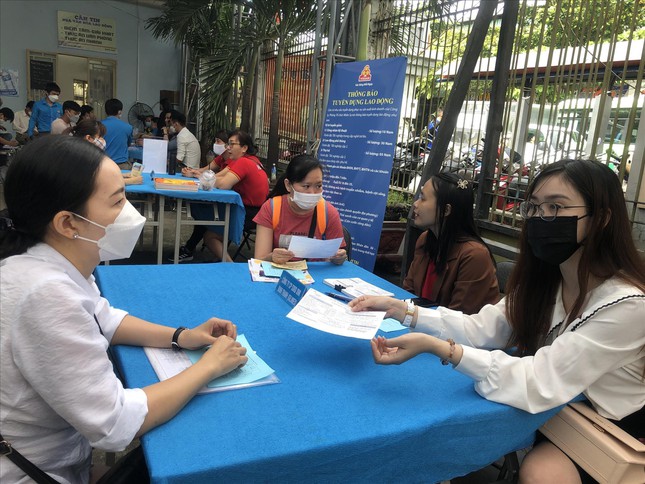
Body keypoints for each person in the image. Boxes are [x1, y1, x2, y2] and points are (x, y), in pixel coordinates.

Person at [350, 159, 645, 483]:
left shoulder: (627, 306)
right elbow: (481, 329)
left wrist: (440, 349)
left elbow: (540, 379)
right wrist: (400, 310)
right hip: (550, 414)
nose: (540, 219)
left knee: (541, 475)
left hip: (604, 431)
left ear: (601, 219)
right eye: (533, 208)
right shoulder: (546, 282)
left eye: (555, 207)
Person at [0, 136, 248, 483]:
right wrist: (208, 367)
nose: (130, 213)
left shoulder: (53, 263)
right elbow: (115, 423)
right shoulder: (45, 295)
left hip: (59, 458)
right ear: (68, 223)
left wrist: (182, 336)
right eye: (117, 201)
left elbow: (105, 318)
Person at [403, 173, 499, 313]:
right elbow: (409, 292)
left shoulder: (475, 256)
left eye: (423, 198)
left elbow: (457, 319)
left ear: (446, 210)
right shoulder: (425, 240)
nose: (415, 204)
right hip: (422, 325)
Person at [183, 130, 269, 262]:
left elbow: (223, 184)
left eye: (232, 144)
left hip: (247, 213)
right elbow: (217, 176)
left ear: (244, 148)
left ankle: (229, 265)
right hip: (256, 211)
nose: (228, 148)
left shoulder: (244, 162)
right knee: (206, 213)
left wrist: (200, 177)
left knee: (207, 228)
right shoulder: (253, 161)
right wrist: (198, 175)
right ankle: (190, 248)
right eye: (228, 144)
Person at [253, 154, 347, 264]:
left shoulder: (328, 212)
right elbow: (259, 260)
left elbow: (336, 259)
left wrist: (339, 257)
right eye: (306, 186)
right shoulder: (272, 208)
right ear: (288, 185)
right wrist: (272, 257)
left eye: (318, 186)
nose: (312, 193)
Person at [174, 130, 230, 262]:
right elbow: (205, 170)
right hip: (218, 197)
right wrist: (191, 171)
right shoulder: (221, 158)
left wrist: (196, 175)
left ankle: (189, 248)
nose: (215, 144)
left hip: (231, 202)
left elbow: (215, 179)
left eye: (218, 141)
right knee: (200, 208)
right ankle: (189, 247)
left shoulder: (236, 162)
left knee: (204, 212)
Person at [102, 98, 133, 169]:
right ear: (119, 112)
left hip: (103, 164)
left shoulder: (98, 125)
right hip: (122, 165)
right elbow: (128, 144)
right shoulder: (128, 127)